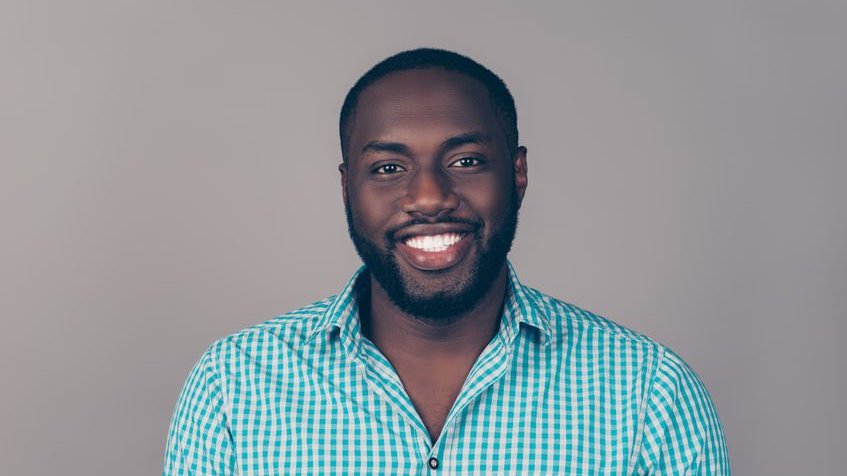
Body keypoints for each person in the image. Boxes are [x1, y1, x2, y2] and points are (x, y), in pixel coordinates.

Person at [163, 48, 730, 475]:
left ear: (517, 174)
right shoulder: (233, 386)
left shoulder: (648, 392)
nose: (429, 196)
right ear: (346, 188)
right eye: (388, 168)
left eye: (465, 160)